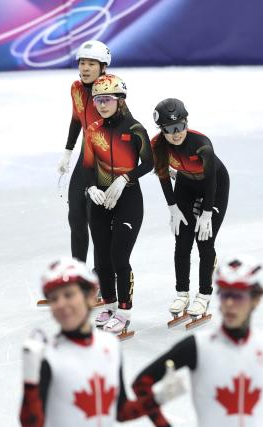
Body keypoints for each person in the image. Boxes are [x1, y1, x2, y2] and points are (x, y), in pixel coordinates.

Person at [131, 255, 263, 426]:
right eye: (224, 294)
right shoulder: (198, 346)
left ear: (256, 299)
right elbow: (141, 384)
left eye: (238, 296)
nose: (229, 303)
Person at [20, 258, 181, 426]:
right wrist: (30, 381)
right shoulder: (48, 356)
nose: (61, 304)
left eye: (68, 295)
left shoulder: (109, 346)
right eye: (54, 299)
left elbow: (121, 411)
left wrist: (159, 398)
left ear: (90, 297)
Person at [82, 74, 153, 335]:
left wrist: (125, 178)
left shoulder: (134, 129)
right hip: (100, 198)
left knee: (119, 256)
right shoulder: (93, 130)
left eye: (107, 99)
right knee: (101, 257)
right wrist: (91, 187)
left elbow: (149, 163)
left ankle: (124, 311)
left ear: (120, 100)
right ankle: (110, 304)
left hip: (128, 198)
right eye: (98, 100)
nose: (102, 104)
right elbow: (88, 165)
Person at [151, 98, 229, 323]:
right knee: (182, 241)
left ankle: (204, 294)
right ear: (161, 130)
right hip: (185, 185)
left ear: (186, 122)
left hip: (213, 186)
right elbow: (164, 176)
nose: (176, 134)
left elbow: (212, 180)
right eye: (169, 129)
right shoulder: (157, 145)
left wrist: (206, 213)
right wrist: (172, 206)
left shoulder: (201, 142)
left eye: (180, 127)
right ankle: (182, 294)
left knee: (205, 240)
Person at [56, 39, 110, 263]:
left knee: (97, 222)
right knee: (76, 217)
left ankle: (103, 280)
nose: (85, 68)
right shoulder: (76, 88)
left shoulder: (111, 90)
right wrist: (68, 152)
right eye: (82, 63)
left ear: (103, 67)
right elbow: (77, 118)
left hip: (106, 161)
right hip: (84, 158)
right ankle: (79, 277)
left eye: (91, 64)